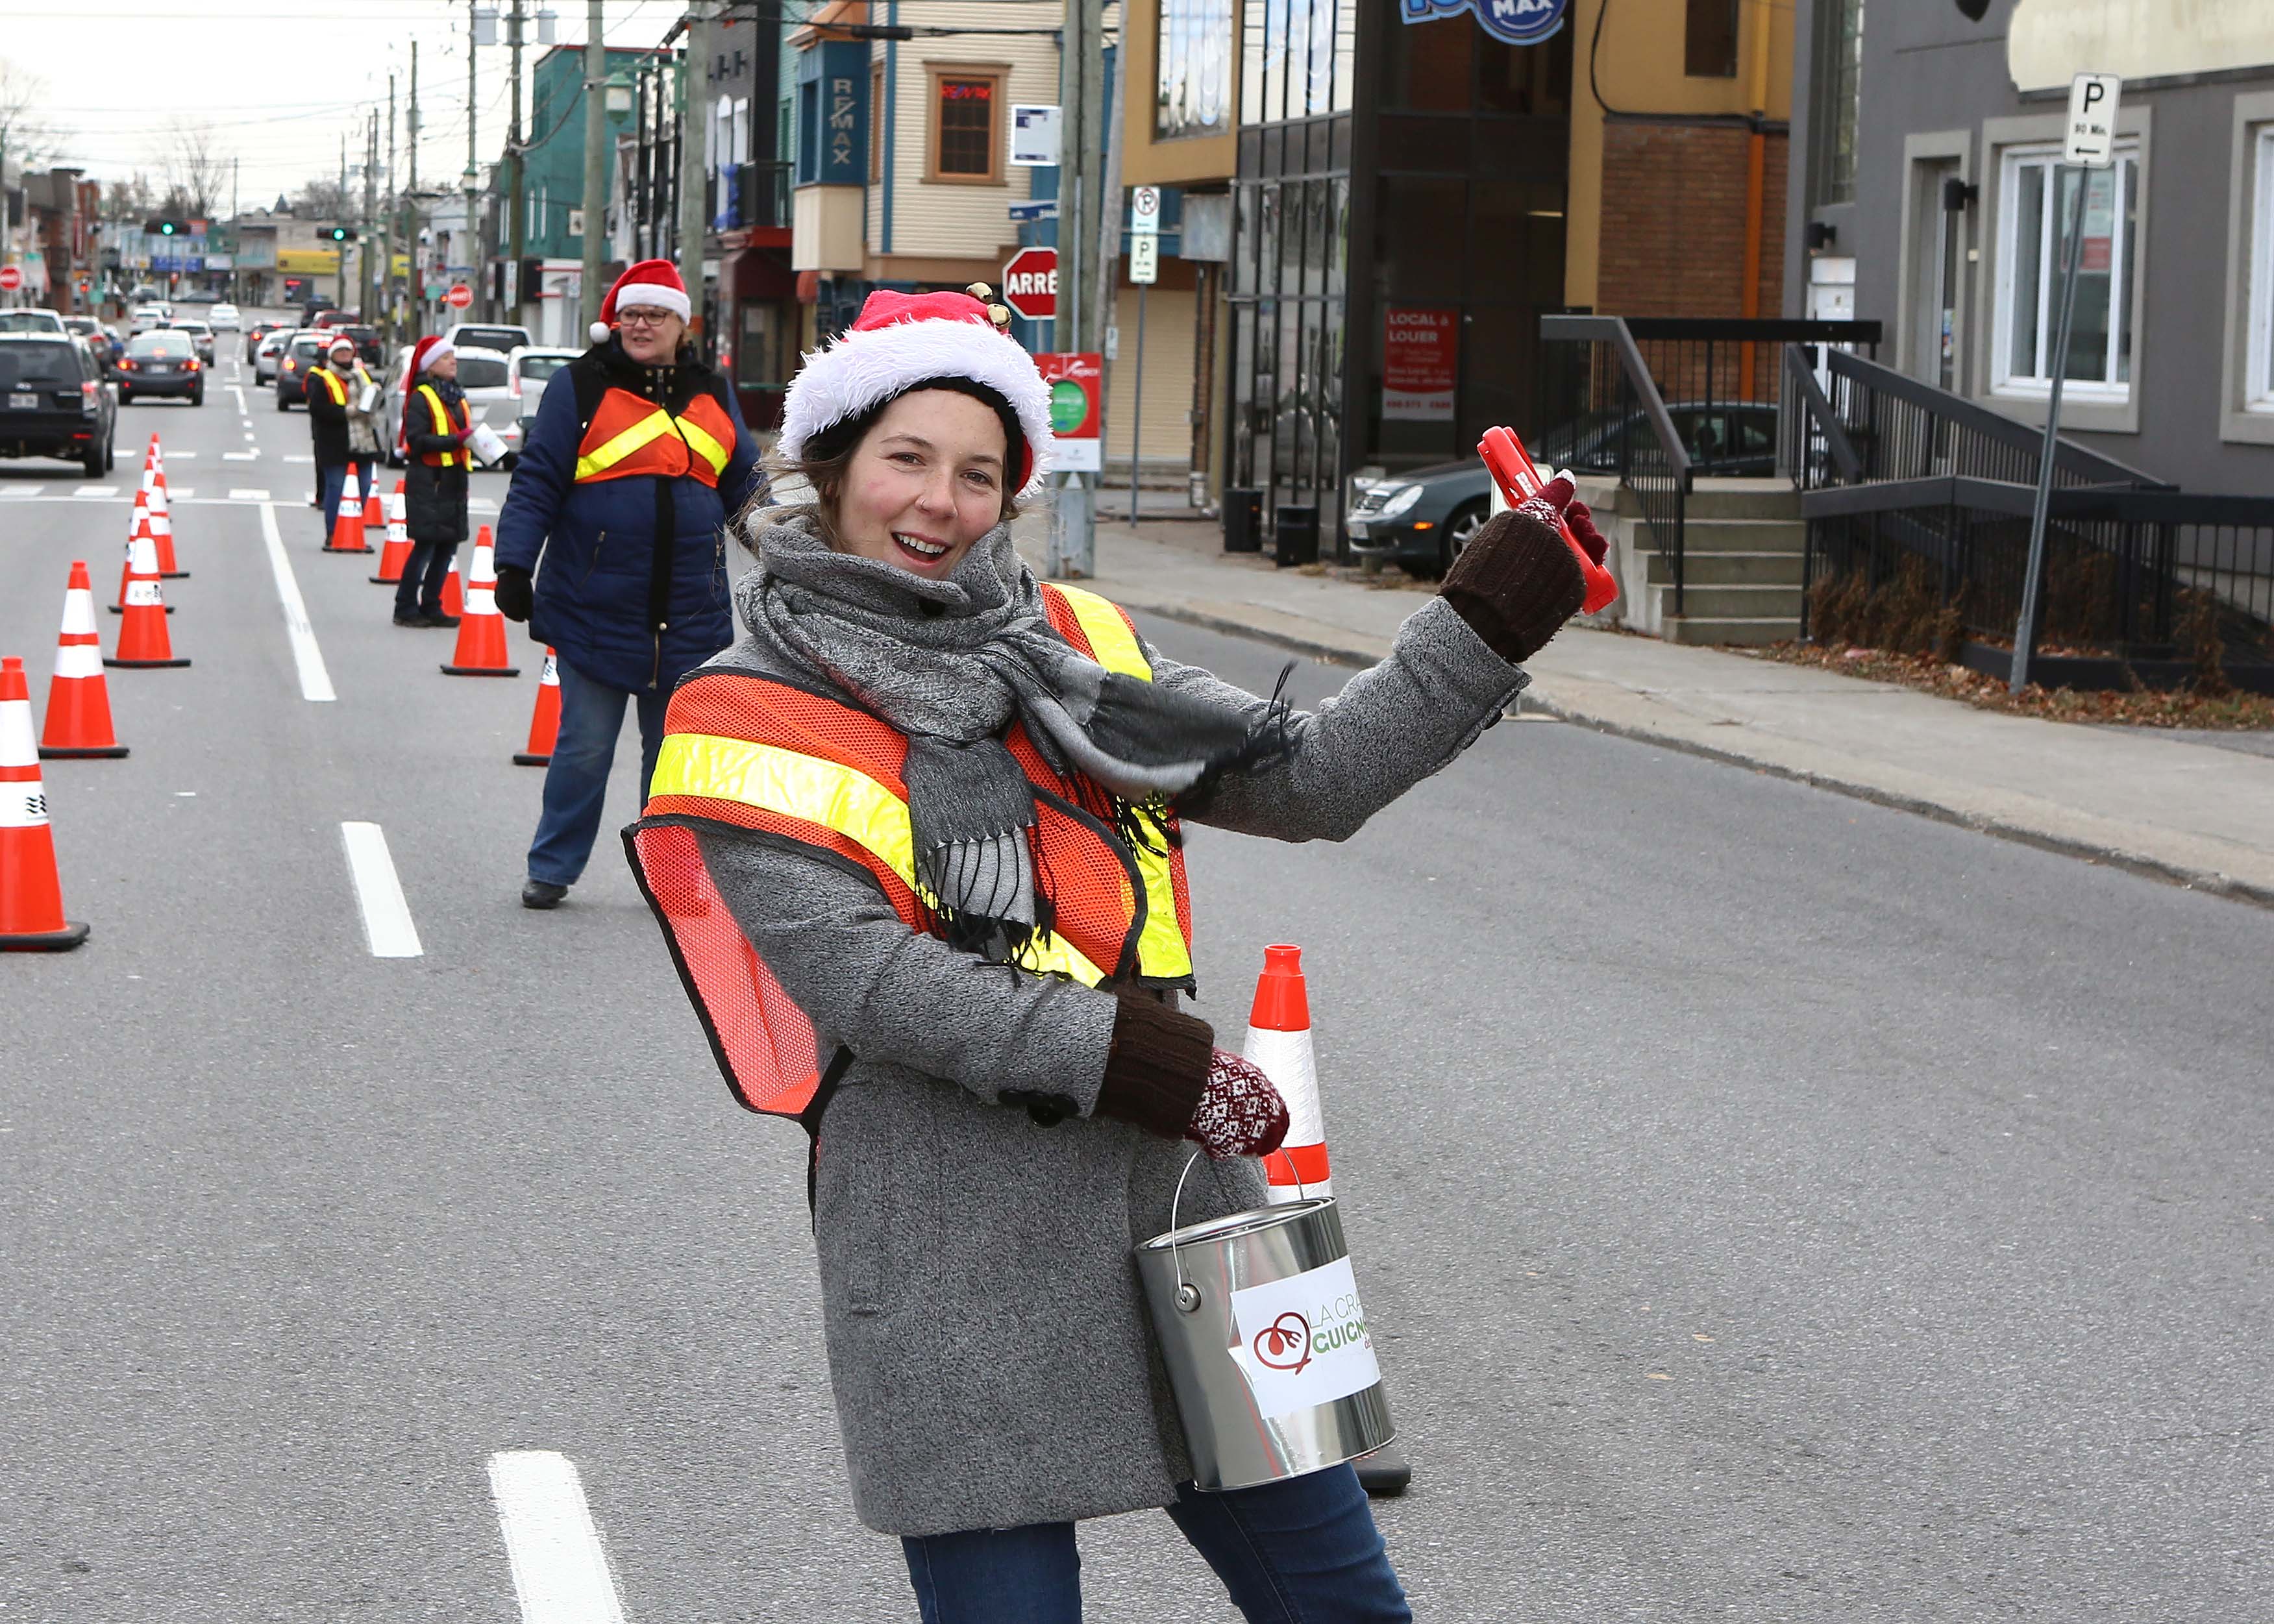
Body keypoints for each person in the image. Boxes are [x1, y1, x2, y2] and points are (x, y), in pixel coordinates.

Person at [624, 288, 1609, 1621]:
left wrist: (1493, 607)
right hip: (945, 1235)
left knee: (1346, 1609)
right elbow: (869, 981)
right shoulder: (742, 707)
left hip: (1176, 1195)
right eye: (906, 459)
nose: (939, 502)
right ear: (835, 465)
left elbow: (1304, 779)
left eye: (979, 474)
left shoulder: (1075, 643)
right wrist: (1141, 1060)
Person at [492, 258, 761, 909]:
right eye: (630, 315)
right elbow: (538, 479)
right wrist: (512, 563)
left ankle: (670, 879)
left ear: (680, 325)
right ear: (613, 322)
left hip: (690, 609)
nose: (640, 326)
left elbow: (748, 493)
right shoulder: (579, 386)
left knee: (672, 760)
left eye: (654, 315)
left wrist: (797, 565)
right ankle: (552, 868)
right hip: (594, 605)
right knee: (583, 750)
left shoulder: (712, 392)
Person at [393, 334, 471, 630]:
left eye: (452, 357)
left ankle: (432, 605)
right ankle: (406, 606)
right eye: (445, 357)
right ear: (430, 366)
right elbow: (417, 440)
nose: (453, 362)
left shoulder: (456, 395)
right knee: (426, 545)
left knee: (448, 547)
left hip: (453, 480)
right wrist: (456, 440)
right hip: (430, 481)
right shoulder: (421, 397)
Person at [304, 334, 376, 544]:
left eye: (348, 351)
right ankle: (333, 533)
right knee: (336, 487)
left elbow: (373, 404)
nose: (345, 355)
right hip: (334, 443)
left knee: (365, 487)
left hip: (363, 441)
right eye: (340, 351)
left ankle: (352, 529)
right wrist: (348, 412)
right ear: (332, 355)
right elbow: (318, 409)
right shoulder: (323, 379)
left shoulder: (362, 376)